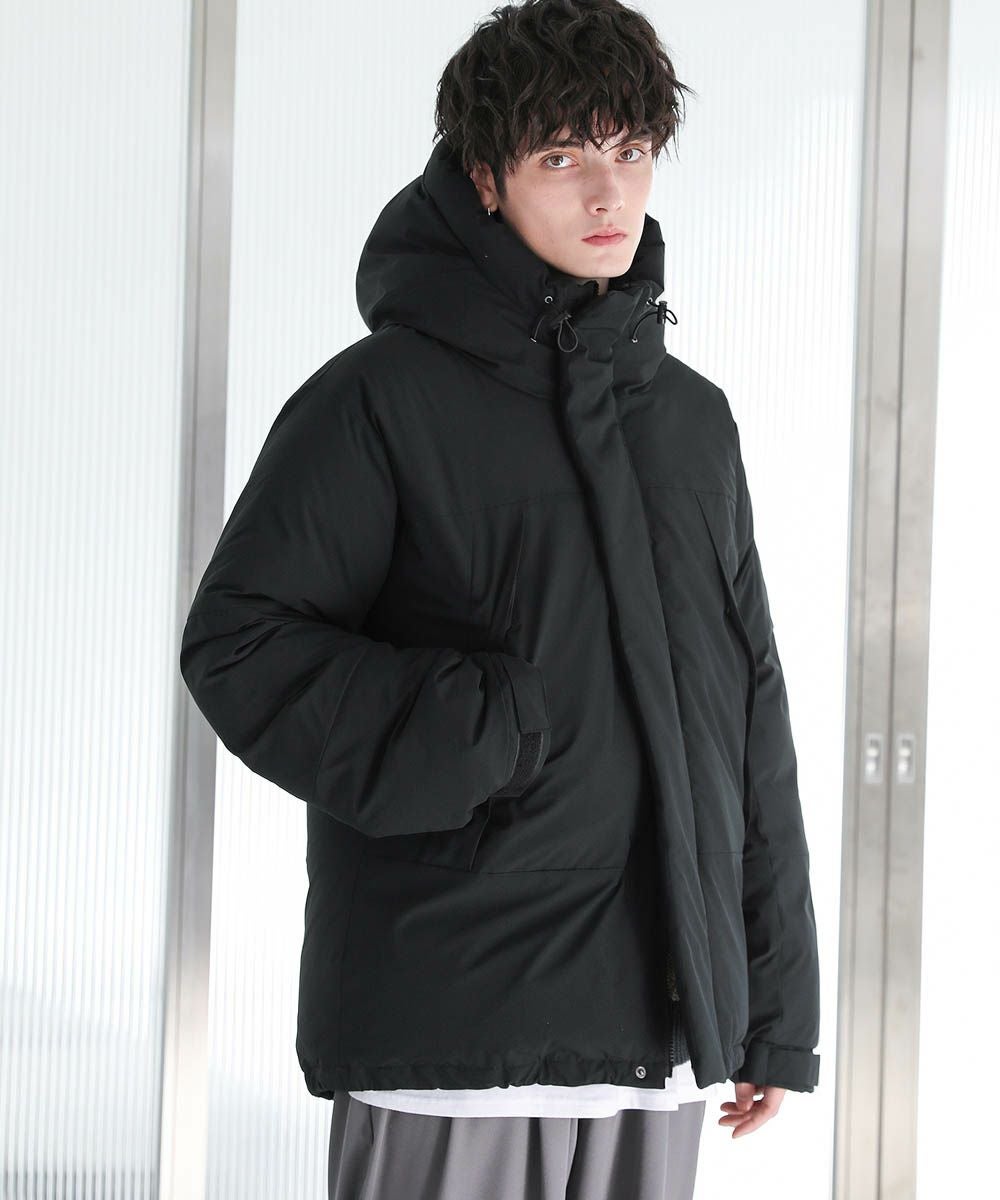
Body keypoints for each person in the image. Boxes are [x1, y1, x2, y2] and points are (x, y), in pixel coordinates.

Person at [178, 0, 821, 1195]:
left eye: (630, 150)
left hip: (655, 1040)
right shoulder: (379, 399)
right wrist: (478, 730)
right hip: (451, 1027)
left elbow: (749, 712)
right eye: (563, 156)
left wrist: (772, 1006)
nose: (609, 193)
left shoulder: (691, 421)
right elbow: (240, 644)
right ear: (484, 177)